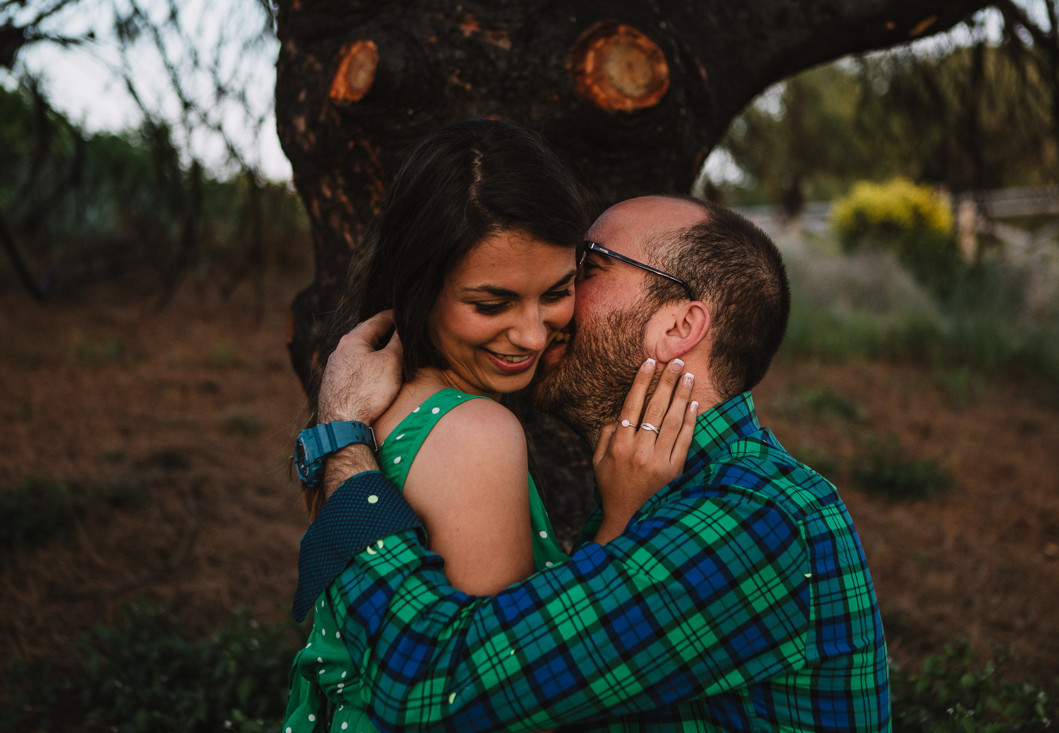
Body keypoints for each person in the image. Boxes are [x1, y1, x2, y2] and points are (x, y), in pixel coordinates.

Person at [289, 195, 891, 731]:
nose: (559, 301)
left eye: (590, 266)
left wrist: (343, 448)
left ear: (680, 323)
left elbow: (429, 683)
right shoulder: (656, 487)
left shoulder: (754, 519)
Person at [284, 121, 697, 732]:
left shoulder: (372, 408)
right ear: (421, 285)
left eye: (557, 291)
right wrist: (621, 525)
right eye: (491, 304)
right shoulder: (476, 433)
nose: (533, 335)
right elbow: (485, 701)